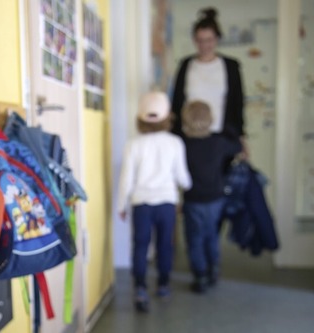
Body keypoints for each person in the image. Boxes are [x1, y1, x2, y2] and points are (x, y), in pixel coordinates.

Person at [117, 92, 192, 312]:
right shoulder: (175, 143)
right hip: (167, 203)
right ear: (168, 117)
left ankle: (140, 288)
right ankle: (163, 285)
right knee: (164, 245)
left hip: (141, 203)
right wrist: (188, 186)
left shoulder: (133, 144)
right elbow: (183, 178)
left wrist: (122, 205)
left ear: (140, 118)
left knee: (140, 245)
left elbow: (126, 178)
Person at [181, 101, 243, 293]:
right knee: (211, 236)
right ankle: (213, 269)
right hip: (216, 198)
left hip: (193, 199)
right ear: (210, 119)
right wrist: (229, 129)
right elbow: (237, 146)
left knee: (194, 238)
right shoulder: (218, 142)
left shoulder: (183, 144)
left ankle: (200, 276)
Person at [170, 7, 247, 153]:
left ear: (217, 39)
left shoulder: (231, 66)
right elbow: (177, 102)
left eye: (209, 40)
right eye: (200, 40)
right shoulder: (186, 65)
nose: (204, 45)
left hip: (222, 136)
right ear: (194, 40)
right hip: (189, 137)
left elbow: (238, 103)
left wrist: (241, 137)